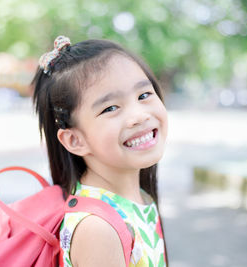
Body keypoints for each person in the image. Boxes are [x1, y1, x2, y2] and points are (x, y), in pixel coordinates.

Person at [31, 36, 169, 267]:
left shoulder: (138, 198)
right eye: (111, 108)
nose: (139, 116)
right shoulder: (98, 228)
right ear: (75, 140)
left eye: (143, 95)